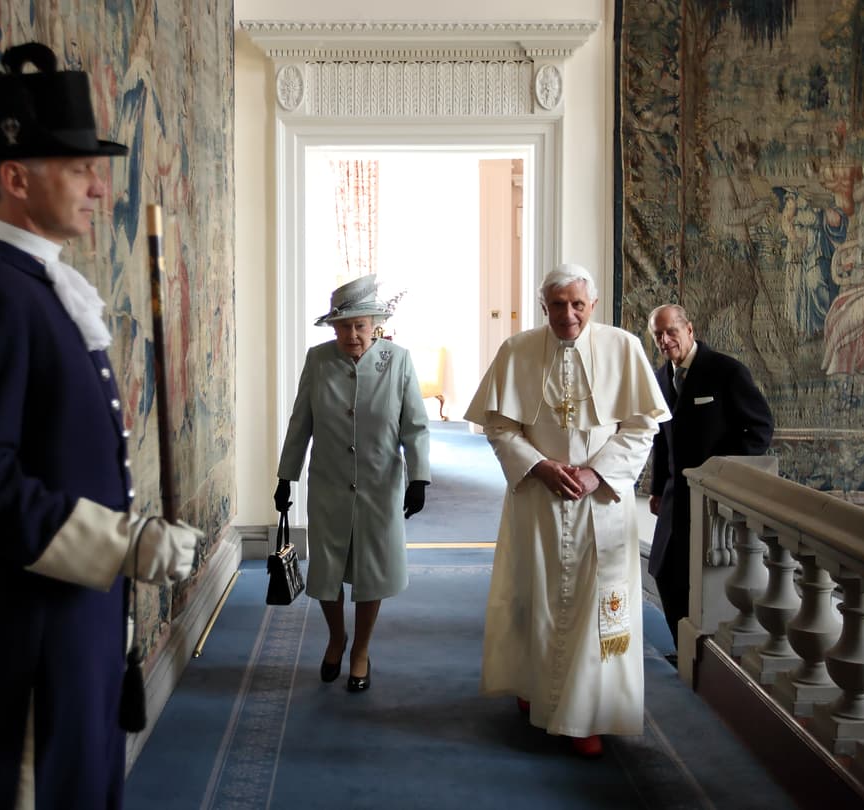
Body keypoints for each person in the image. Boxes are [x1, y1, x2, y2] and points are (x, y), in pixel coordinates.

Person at [0, 42, 200, 810]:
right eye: (79, 170)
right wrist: (124, 543)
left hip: (75, 627)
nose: (101, 187)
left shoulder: (38, 290)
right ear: (16, 178)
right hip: (25, 643)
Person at [464, 264, 669, 758]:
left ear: (592, 305)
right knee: (532, 596)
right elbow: (499, 425)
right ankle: (531, 682)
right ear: (544, 307)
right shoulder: (517, 351)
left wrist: (597, 473)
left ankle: (585, 716)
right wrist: (538, 466)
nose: (569, 314)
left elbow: (642, 426)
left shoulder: (623, 348)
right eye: (558, 305)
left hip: (601, 502)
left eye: (578, 304)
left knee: (596, 607)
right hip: (539, 499)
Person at [275, 275, 430, 693]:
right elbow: (300, 423)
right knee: (326, 569)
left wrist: (419, 477)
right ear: (334, 328)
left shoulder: (398, 361)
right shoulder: (318, 360)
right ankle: (336, 638)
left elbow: (415, 426)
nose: (352, 335)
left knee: (371, 570)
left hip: (380, 485)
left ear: (375, 324)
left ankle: (360, 649)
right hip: (328, 483)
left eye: (359, 325)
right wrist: (285, 476)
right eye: (343, 327)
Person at [646, 305, 774, 652]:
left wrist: (722, 472)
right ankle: (683, 651)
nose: (665, 340)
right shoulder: (660, 378)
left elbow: (760, 429)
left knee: (702, 580)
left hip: (712, 498)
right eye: (658, 335)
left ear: (689, 329)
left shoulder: (726, 371)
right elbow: (661, 440)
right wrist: (656, 489)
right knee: (663, 573)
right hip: (674, 498)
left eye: (671, 331)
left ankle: (700, 659)